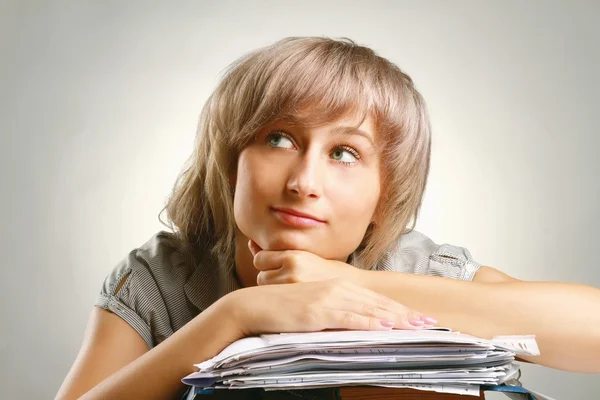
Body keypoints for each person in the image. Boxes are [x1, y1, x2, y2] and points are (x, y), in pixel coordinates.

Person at [55, 36, 600, 400]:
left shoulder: (408, 264)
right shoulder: (161, 277)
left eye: (345, 153)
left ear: (383, 196)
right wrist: (236, 314)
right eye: (279, 138)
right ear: (230, 164)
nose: (303, 182)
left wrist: (352, 282)